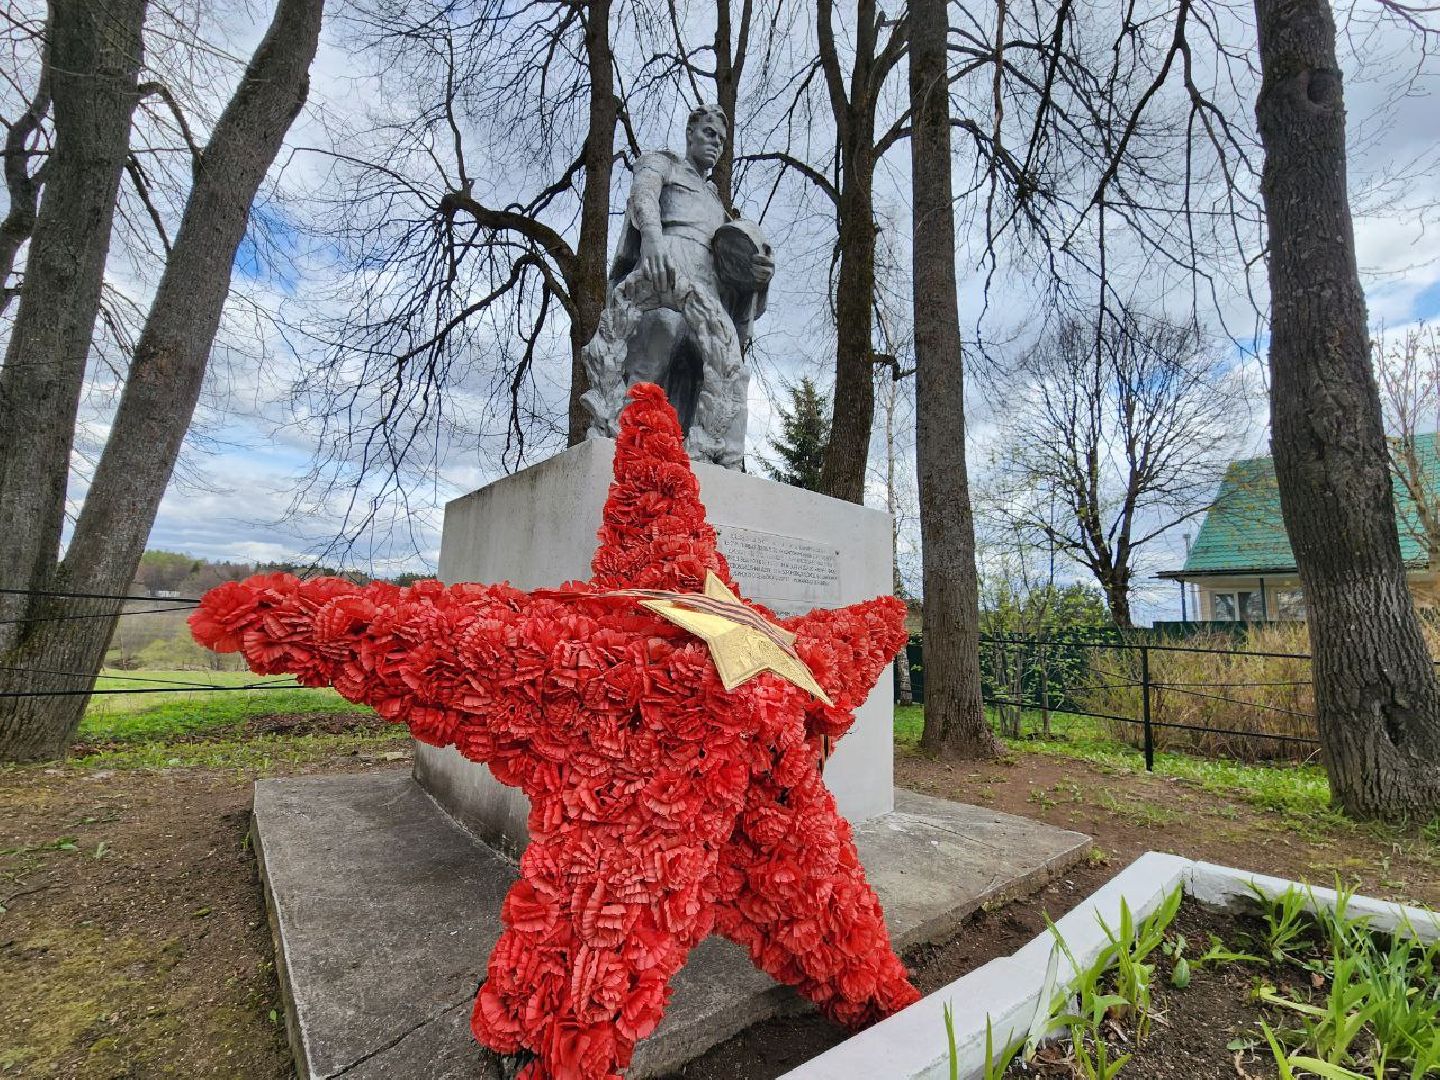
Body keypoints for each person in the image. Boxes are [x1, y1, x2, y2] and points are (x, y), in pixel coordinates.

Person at [604, 104, 774, 436]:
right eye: (709, 133)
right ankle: (625, 448)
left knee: (724, 376)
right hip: (666, 274)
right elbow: (643, 197)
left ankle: (702, 462)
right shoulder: (663, 164)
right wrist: (652, 238)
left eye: (722, 140)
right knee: (651, 362)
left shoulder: (717, 203)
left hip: (708, 292)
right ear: (690, 134)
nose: (716, 144)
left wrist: (759, 275)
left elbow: (734, 261)